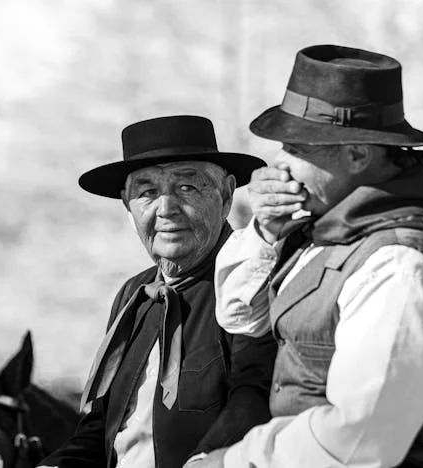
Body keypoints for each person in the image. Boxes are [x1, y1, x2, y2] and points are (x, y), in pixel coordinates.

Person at [195, 44, 423, 467]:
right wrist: (267, 230)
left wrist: (229, 462)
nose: (278, 166)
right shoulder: (331, 224)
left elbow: (358, 440)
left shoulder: (403, 262)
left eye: (297, 150)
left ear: (358, 154)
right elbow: (239, 315)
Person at [38, 115, 277, 468]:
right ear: (127, 204)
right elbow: (98, 429)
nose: (166, 209)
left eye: (187, 188)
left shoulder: (252, 278)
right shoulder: (133, 295)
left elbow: (254, 400)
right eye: (147, 192)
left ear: (226, 194)